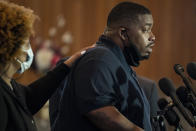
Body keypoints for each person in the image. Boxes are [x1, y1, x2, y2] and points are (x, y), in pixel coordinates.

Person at [52, 1, 155, 131]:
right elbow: (99, 110)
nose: (153, 37)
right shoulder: (99, 58)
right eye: (146, 30)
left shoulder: (114, 61)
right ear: (123, 33)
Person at [0, 1, 91, 131]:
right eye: (26, 43)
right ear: (10, 46)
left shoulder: (10, 85)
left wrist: (67, 65)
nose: (29, 49)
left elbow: (30, 97)